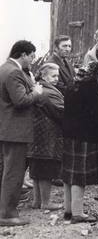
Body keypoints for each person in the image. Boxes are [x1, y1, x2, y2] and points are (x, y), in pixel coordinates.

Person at [62, 52, 98, 223]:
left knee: (69, 174)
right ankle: (77, 213)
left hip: (69, 134)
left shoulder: (72, 85)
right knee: (79, 176)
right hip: (85, 136)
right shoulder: (93, 88)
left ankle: (68, 210)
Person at [0, 41, 43, 226]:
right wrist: (36, 92)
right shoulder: (15, 72)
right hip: (15, 131)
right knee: (14, 172)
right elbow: (21, 100)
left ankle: (5, 210)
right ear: (23, 54)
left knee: (9, 170)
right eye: (32, 56)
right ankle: (7, 215)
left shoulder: (4, 68)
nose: (32, 60)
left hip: (8, 129)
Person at [27, 63, 63, 212]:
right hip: (48, 134)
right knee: (46, 168)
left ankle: (37, 201)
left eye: (57, 75)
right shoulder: (49, 92)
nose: (56, 79)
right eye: (53, 76)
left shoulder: (37, 88)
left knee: (36, 168)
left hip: (36, 134)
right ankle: (46, 202)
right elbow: (61, 111)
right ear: (43, 75)